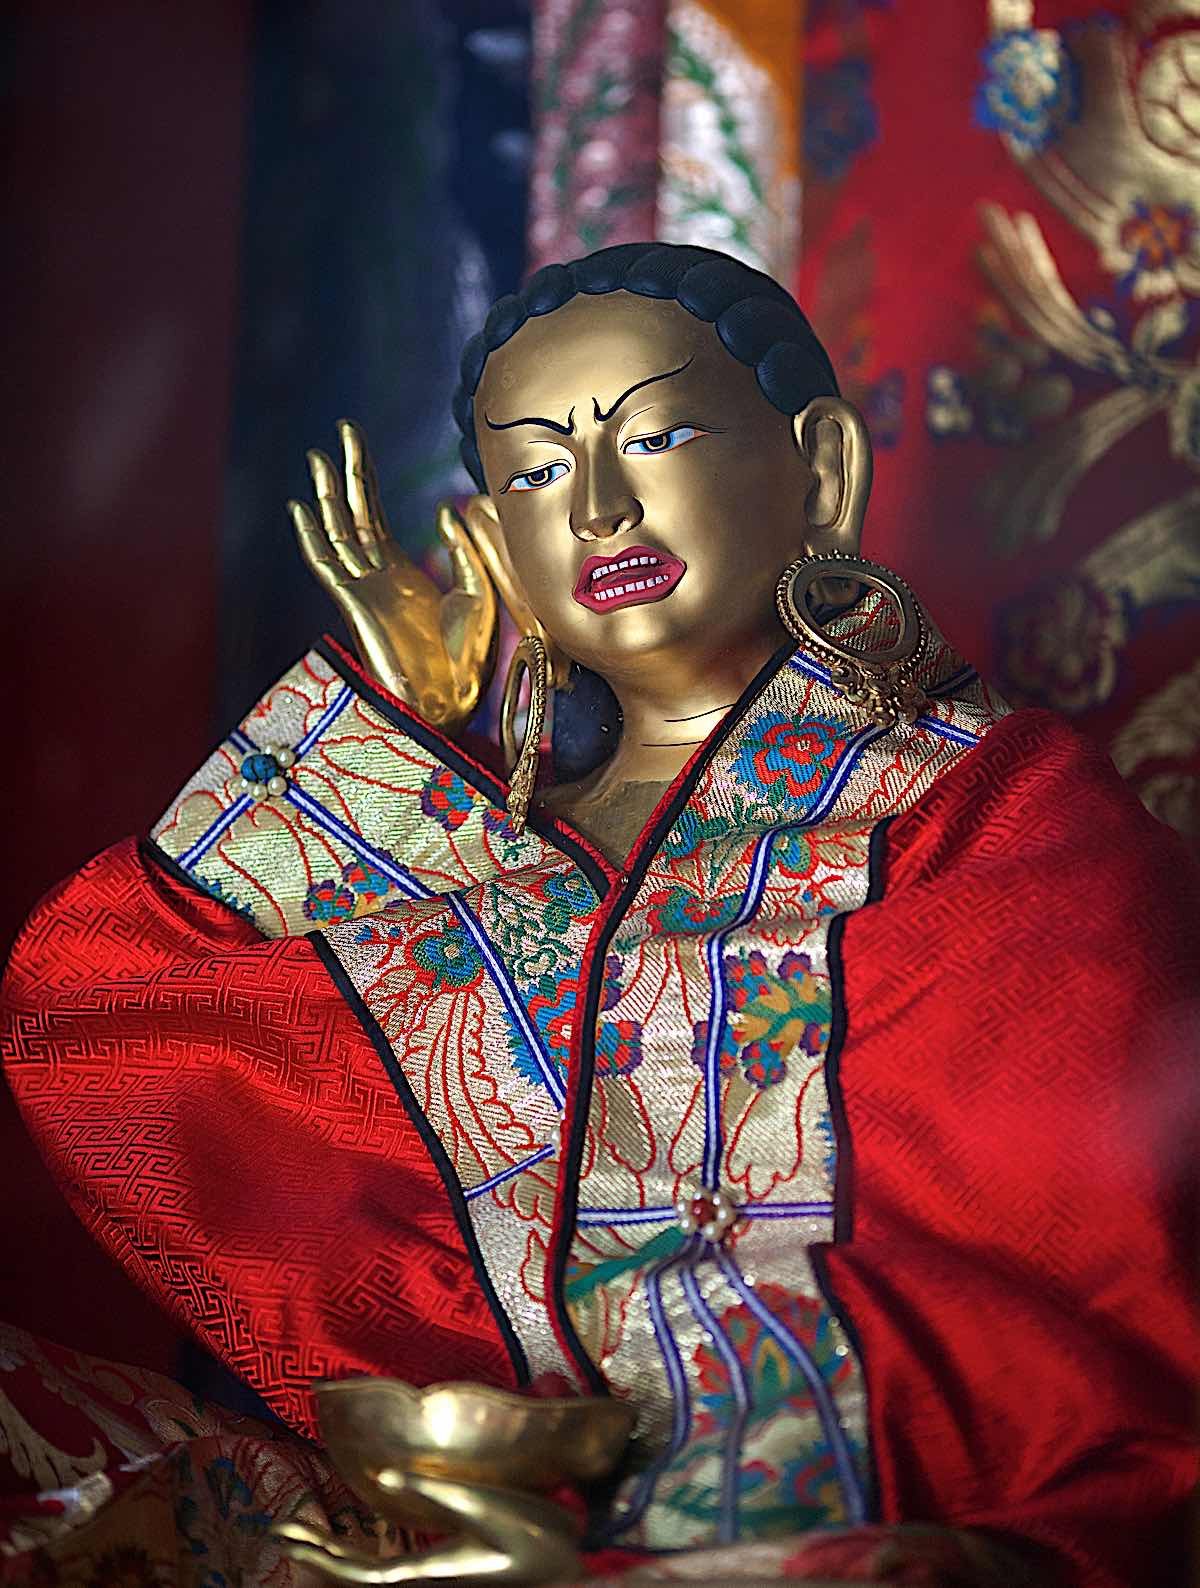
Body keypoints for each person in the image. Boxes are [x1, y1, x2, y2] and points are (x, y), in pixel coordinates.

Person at [1, 242, 1196, 1587]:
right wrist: (394, 729)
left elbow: (1085, 1269)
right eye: (537, 471)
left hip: (862, 1499)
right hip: (459, 1494)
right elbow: (101, 1014)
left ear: (822, 467)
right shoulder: (467, 844)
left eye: (659, 433)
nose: (603, 509)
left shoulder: (992, 814)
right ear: (496, 537)